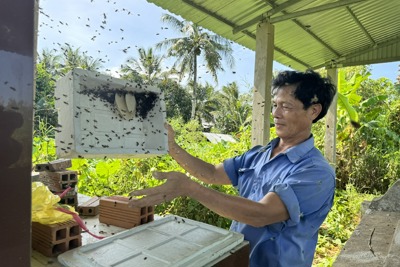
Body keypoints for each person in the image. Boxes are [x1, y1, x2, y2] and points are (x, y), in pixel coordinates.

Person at [129, 70, 337, 267]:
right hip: (238, 259)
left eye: (286, 106)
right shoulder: (259, 154)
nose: (275, 113)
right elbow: (211, 173)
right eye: (274, 105)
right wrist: (172, 147)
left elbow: (262, 214)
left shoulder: (316, 172)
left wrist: (189, 188)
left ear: (313, 110)